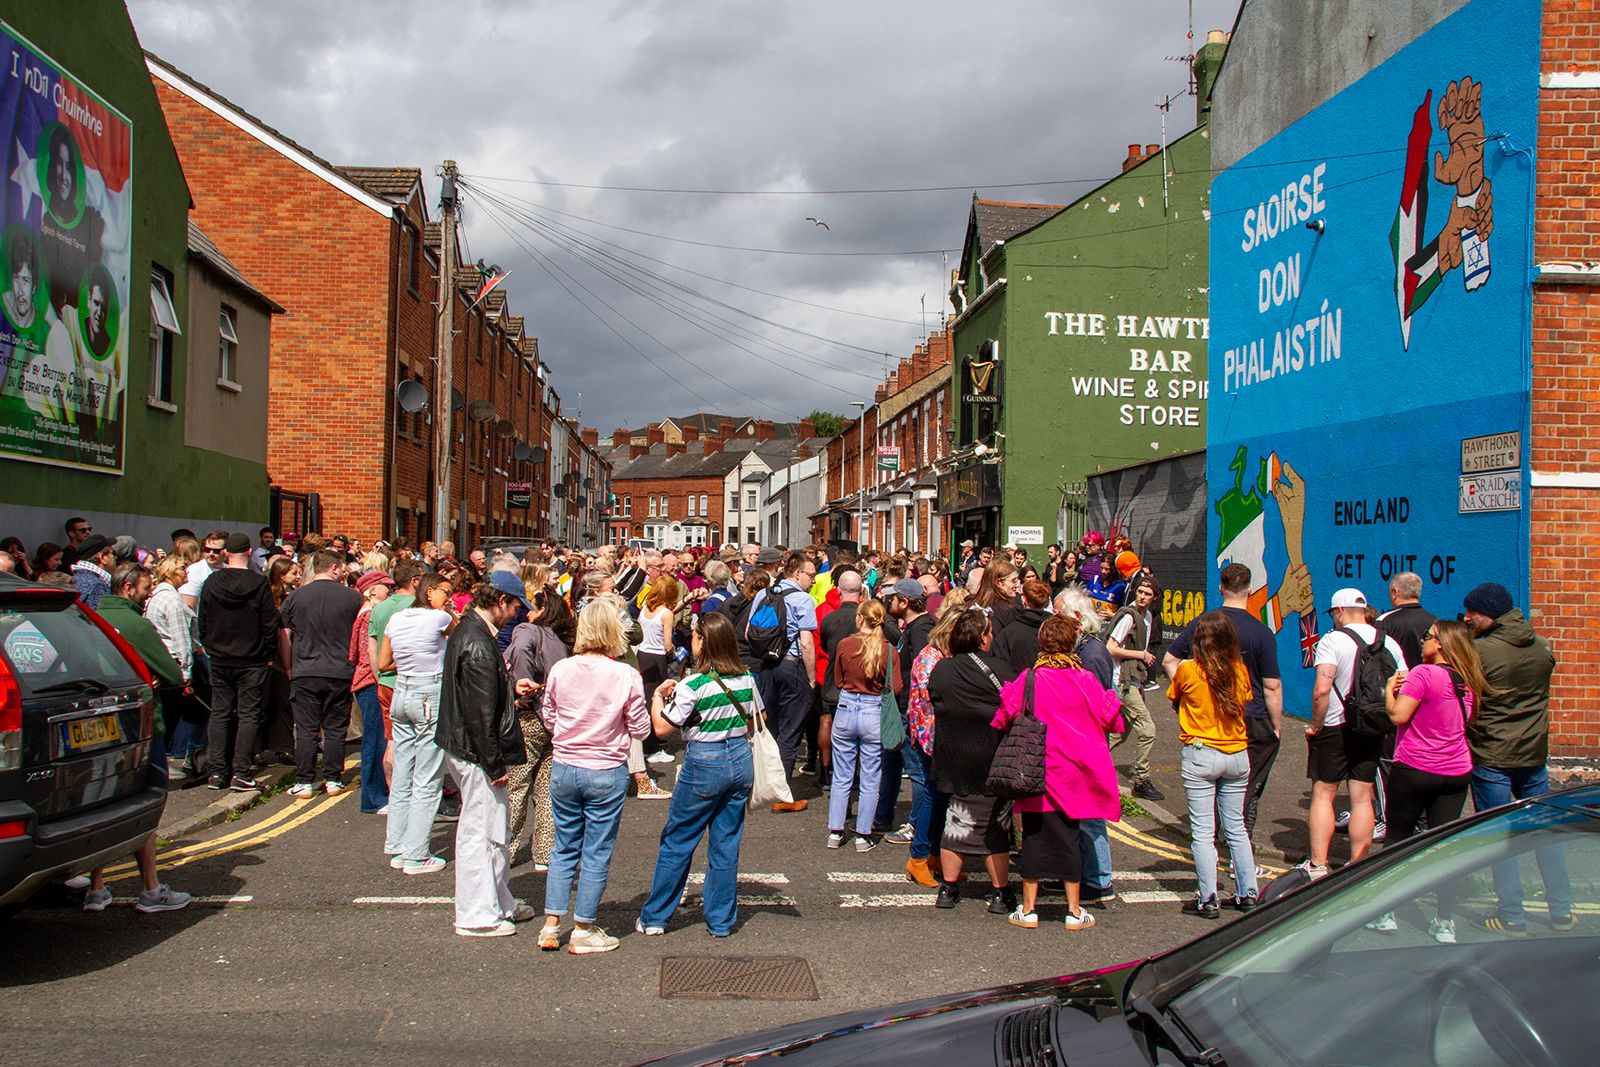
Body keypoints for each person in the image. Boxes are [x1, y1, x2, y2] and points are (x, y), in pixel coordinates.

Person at [992, 614, 1123, 931]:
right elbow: (1112, 719)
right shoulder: (1086, 680)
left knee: (1033, 838)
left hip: (1036, 767)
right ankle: (1074, 912)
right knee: (1070, 838)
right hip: (1075, 771)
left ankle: (1028, 909)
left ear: (1041, 643)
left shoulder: (1030, 678)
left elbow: (1003, 715)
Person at [536, 598, 650, 954]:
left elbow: (549, 717)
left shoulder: (561, 669)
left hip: (566, 764)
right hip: (605, 768)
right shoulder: (626, 675)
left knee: (564, 846)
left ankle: (551, 924)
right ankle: (583, 927)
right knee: (597, 851)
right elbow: (641, 729)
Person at [636, 612, 758, 938]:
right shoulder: (747, 678)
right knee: (726, 842)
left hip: (705, 760)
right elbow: (753, 719)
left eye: (694, 635)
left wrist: (657, 697)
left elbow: (661, 728)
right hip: (740, 757)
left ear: (703, 641)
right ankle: (721, 921)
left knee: (679, 838)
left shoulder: (694, 684)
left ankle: (656, 916)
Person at [79, 564, 192, 914]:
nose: (148, 595)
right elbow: (172, 673)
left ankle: (96, 888)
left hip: (98, 729)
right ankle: (151, 889)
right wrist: (153, 675)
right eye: (145, 589)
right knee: (147, 806)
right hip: (141, 727)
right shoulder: (136, 625)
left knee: (103, 806)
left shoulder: (88, 619)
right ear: (128, 588)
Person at [1460, 582, 1572, 935]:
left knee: (1500, 836)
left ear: (1489, 615)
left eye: (1472, 613)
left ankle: (1512, 915)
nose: (1467, 618)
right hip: (1533, 753)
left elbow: (1466, 697)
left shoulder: (1479, 651)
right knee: (1544, 833)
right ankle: (1562, 911)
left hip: (1492, 753)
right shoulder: (1542, 646)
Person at [1373, 618, 1484, 942]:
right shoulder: (1467, 680)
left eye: (1428, 636)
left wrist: (1390, 690)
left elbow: (1398, 715)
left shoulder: (1423, 674)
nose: (1423, 640)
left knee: (1397, 840)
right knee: (1443, 847)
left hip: (1415, 768)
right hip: (1456, 772)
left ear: (1441, 644)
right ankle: (1444, 921)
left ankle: (1385, 913)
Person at [435, 574, 532, 937]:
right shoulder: (477, 641)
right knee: (480, 832)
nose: (516, 614)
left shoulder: (472, 631)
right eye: (515, 606)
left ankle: (499, 902)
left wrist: (511, 687)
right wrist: (493, 764)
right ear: (501, 600)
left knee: (493, 829)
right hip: (477, 751)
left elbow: (482, 696)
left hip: (470, 746)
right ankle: (476, 915)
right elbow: (479, 713)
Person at [1163, 563, 1284, 837]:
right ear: (1250, 590)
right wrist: (1276, 726)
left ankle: (1213, 838)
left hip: (1209, 716)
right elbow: (1272, 685)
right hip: (1251, 715)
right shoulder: (1261, 632)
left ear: (1221, 588)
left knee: (1209, 784)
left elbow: (1170, 660)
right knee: (1246, 786)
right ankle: (1239, 841)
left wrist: (1188, 693)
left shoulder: (1204, 625)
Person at [1299, 588, 1404, 879]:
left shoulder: (1332, 640)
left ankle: (1318, 864)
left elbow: (1322, 689)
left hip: (1334, 725)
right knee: (1362, 796)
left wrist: (1316, 725)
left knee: (1323, 794)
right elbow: (1403, 681)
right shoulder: (1388, 641)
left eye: (1334, 613)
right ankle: (1358, 863)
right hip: (1371, 726)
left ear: (1340, 611)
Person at [926, 608, 1019, 913]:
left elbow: (935, 699)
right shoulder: (1000, 669)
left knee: (956, 822)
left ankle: (948, 888)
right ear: (982, 637)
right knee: (995, 827)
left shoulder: (942, 670)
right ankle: (1000, 893)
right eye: (989, 632)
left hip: (953, 756)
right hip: (991, 756)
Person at [1168, 611, 1258, 917]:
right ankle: (1247, 893)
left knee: (1203, 832)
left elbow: (1175, 698)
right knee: (1236, 828)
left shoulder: (1188, 670)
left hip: (1201, 753)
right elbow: (1243, 701)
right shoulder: (1239, 670)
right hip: (1237, 753)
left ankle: (1207, 899)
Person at [377, 573, 458, 870]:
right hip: (428, 693)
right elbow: (459, 638)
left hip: (402, 691)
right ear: (430, 591)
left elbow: (383, 663)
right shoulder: (439, 618)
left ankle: (398, 845)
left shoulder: (397, 618)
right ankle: (416, 854)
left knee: (403, 772)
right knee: (428, 775)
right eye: (446, 592)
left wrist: (409, 660)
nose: (449, 598)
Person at [198, 532, 279, 792]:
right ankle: (241, 772)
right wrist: (270, 655)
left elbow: (203, 619)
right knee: (248, 714)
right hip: (252, 659)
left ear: (225, 553)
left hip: (220, 658)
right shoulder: (259, 583)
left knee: (220, 713)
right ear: (249, 552)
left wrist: (210, 646)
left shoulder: (212, 582)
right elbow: (269, 623)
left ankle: (217, 772)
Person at [279, 551, 362, 797]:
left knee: (306, 728)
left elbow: (285, 635)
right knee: (335, 727)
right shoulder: (352, 597)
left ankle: (304, 781)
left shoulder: (295, 596)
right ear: (334, 568)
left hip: (305, 670)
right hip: (340, 670)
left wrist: (289, 667)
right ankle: (333, 779)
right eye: (342, 568)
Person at [827, 599, 903, 852]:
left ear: (860, 618)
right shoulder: (888, 649)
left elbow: (838, 680)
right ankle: (863, 835)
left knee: (842, 775)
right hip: (874, 709)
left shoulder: (845, 644)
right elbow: (896, 687)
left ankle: (835, 831)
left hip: (847, 707)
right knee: (871, 777)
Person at [505, 590, 569, 869]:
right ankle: (544, 852)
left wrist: (521, 683)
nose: (527, 612)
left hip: (530, 714)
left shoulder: (527, 630)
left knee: (516, 787)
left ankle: (506, 849)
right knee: (546, 789)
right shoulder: (562, 639)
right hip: (555, 719)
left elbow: (520, 650)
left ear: (543, 610)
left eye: (533, 607)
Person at [751, 552, 818, 812]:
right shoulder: (803, 599)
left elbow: (748, 632)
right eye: (811, 575)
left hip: (767, 666)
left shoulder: (763, 594)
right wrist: (811, 678)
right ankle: (783, 794)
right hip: (792, 666)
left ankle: (762, 783)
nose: (813, 580)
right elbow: (806, 643)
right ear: (797, 573)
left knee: (770, 729)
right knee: (791, 731)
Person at [876, 577, 934, 842]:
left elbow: (923, 672)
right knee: (890, 762)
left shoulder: (921, 630)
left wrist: (912, 705)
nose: (889, 602)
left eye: (893, 598)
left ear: (905, 602)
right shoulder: (912, 628)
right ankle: (882, 816)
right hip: (898, 708)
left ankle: (916, 825)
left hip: (908, 710)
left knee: (916, 770)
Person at [1106, 579, 1163, 802]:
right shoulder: (1129, 617)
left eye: (1147, 593)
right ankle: (1141, 780)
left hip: (1133, 681)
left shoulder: (1146, 617)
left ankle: (1087, 765)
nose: (1142, 596)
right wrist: (1142, 655)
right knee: (1148, 730)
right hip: (1122, 681)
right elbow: (1110, 648)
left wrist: (1140, 684)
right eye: (1140, 591)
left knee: (1119, 732)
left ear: (1154, 597)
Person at [350, 569, 393, 814]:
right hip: (371, 683)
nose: (390, 590)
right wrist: (381, 683)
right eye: (386, 586)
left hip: (367, 682)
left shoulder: (366, 613)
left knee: (378, 740)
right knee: (376, 741)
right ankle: (373, 798)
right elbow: (370, 654)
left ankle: (378, 794)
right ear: (372, 590)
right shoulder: (369, 615)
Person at [993, 578, 1052, 674]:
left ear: (1024, 599)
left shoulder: (1009, 633)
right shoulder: (1056, 628)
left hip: (1019, 681)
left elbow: (999, 664)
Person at [70, 533, 116, 609]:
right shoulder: (97, 586)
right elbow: (99, 615)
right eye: (113, 553)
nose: (116, 557)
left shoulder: (76, 577)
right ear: (103, 557)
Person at [971, 559, 1020, 631]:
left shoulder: (973, 605)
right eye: (1013, 581)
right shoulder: (1002, 613)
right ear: (999, 583)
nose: (1017, 585)